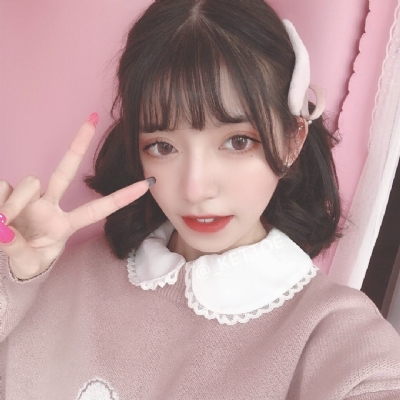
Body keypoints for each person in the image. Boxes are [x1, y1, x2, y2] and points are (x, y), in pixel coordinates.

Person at [1, 0, 400, 398]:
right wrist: (13, 282)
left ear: (293, 139)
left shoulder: (331, 334)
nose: (195, 190)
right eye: (162, 146)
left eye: (238, 142)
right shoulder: (59, 274)